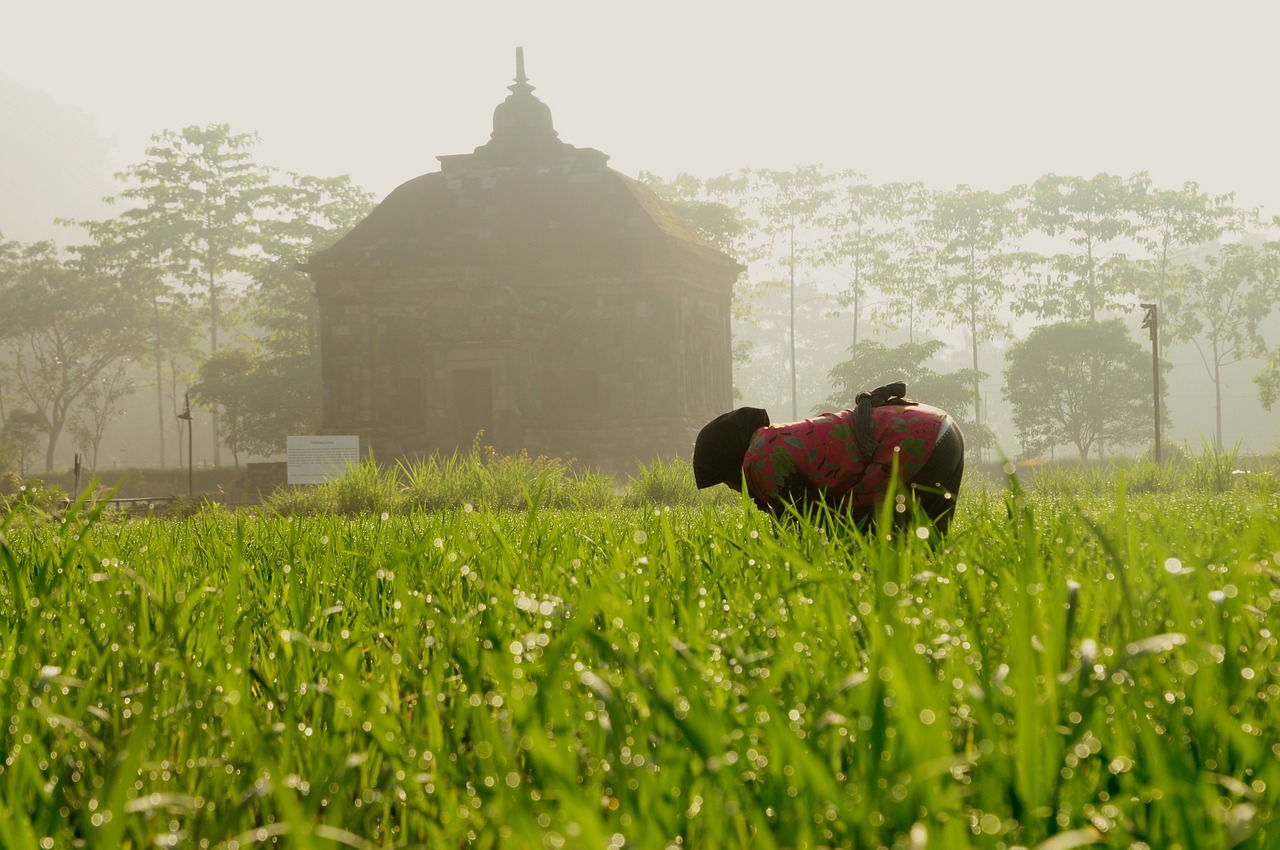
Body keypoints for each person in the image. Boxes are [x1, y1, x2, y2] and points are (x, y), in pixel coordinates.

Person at [692, 382, 964, 535]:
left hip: (912, 440)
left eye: (727, 483)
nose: (733, 490)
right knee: (927, 543)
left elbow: (807, 522)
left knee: (870, 538)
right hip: (941, 428)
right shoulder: (777, 440)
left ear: (730, 461)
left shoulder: (759, 457)